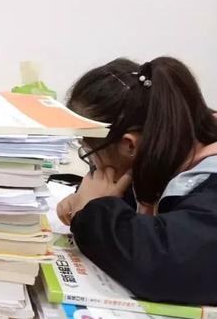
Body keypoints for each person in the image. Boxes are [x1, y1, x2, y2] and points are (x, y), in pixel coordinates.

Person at [56, 57, 217, 305]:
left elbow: (167, 264)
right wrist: (90, 199)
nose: (93, 165)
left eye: (89, 152)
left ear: (129, 145)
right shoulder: (172, 145)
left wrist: (94, 213)